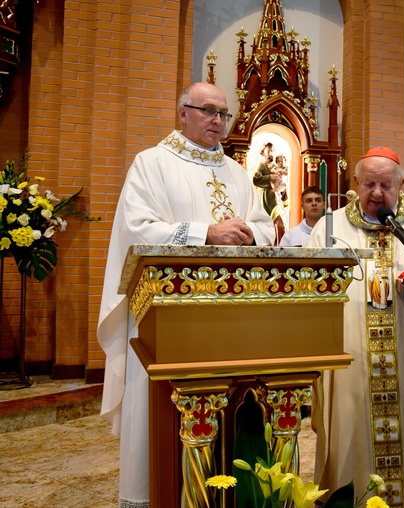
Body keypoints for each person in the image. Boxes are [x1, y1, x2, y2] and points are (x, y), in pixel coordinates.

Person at [96, 82, 275, 508]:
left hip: (232, 314)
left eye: (223, 114)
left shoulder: (236, 171)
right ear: (183, 112)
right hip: (167, 316)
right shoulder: (151, 164)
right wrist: (207, 233)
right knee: (161, 415)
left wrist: (250, 234)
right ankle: (157, 496)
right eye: (208, 111)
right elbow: (137, 230)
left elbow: (266, 226)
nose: (217, 121)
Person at [307, 146, 404, 508]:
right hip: (350, 361)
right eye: (369, 184)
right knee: (350, 425)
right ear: (355, 183)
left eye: (386, 185)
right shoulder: (330, 226)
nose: (377, 193)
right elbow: (311, 285)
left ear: (402, 185)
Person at [252, 143, 288, 243]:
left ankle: (280, 243)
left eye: (272, 151)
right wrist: (269, 178)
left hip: (273, 196)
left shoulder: (272, 165)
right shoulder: (260, 165)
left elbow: (281, 173)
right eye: (269, 151)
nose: (271, 153)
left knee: (279, 222)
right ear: (263, 152)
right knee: (266, 222)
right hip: (263, 197)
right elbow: (256, 179)